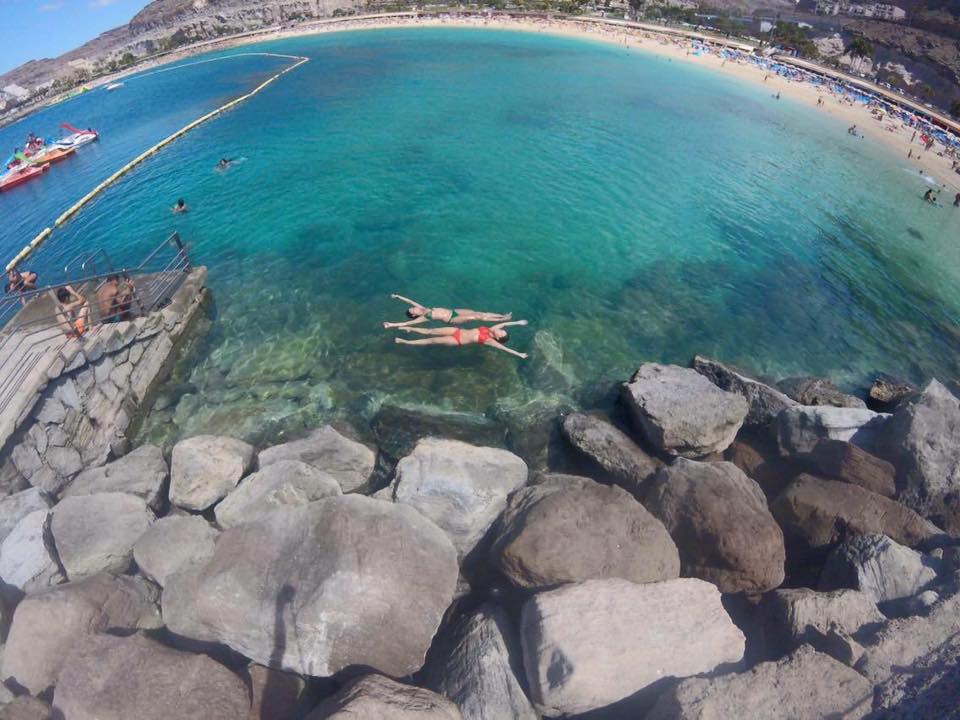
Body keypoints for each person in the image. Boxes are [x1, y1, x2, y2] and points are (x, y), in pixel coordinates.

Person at [394, 320, 529, 359]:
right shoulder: (492, 328)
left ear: (499, 337)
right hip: (457, 331)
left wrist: (519, 354)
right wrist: (518, 323)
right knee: (430, 331)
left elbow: (505, 349)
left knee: (432, 340)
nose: (500, 329)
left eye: (501, 332)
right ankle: (410, 328)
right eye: (502, 329)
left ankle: (405, 341)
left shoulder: (490, 340)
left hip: (457, 341)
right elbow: (504, 323)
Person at [384, 294, 512, 328]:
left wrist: (398, 297)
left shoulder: (423, 308)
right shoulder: (424, 317)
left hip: (454, 311)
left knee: (477, 312)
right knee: (477, 317)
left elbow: (409, 301)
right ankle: (503, 319)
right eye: (413, 309)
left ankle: (502, 315)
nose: (415, 307)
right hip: (452, 319)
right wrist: (392, 324)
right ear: (414, 314)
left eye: (413, 307)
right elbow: (406, 324)